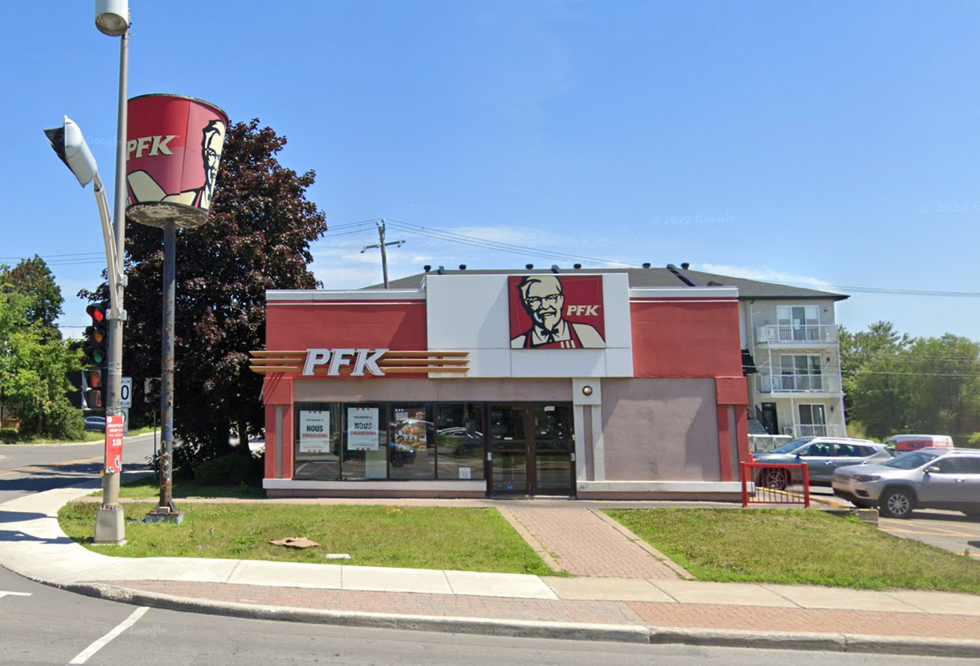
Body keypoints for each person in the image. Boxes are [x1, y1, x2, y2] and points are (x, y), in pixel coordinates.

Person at [510, 275, 604, 349]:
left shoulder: (586, 333)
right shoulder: (518, 343)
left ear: (561, 300)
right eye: (535, 299)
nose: (545, 306)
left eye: (551, 298)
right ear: (527, 304)